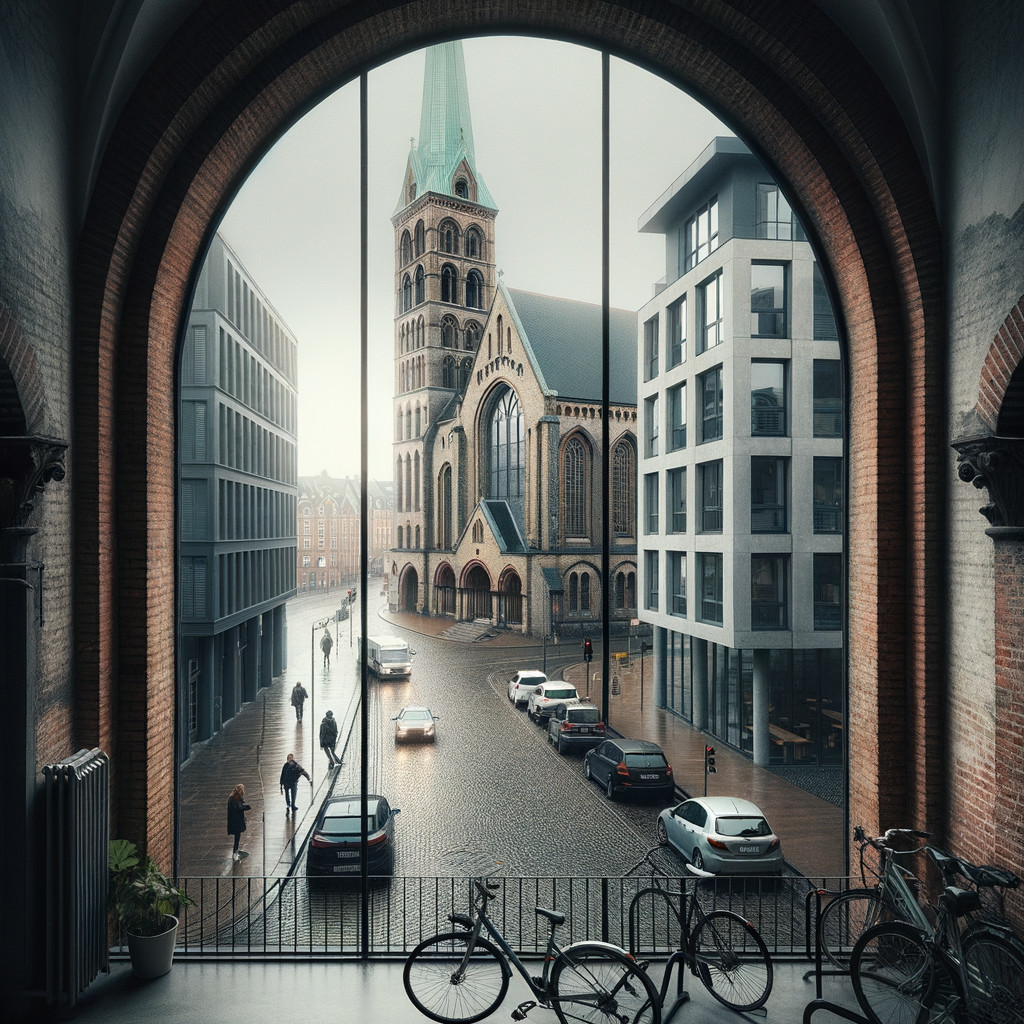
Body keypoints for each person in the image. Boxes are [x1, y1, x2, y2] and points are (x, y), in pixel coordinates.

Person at [226, 783, 251, 862]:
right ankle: (235, 852)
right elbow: (239, 808)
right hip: (236, 822)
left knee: (237, 836)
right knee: (237, 837)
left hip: (234, 821)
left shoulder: (232, 798)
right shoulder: (235, 799)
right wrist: (247, 807)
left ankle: (235, 851)